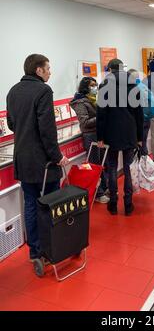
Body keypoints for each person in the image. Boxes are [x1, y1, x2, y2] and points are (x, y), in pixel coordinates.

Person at [6, 54, 69, 262]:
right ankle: (51, 246)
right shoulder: (43, 90)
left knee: (31, 203)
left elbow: (12, 125)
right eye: (48, 68)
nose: (50, 72)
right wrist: (57, 156)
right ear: (38, 70)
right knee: (51, 202)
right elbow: (47, 130)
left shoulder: (13, 91)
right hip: (43, 161)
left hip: (22, 158)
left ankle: (35, 251)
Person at [96, 59, 144, 216]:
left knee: (111, 167)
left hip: (111, 133)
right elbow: (139, 114)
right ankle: (128, 204)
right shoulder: (133, 85)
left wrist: (100, 137)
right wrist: (139, 136)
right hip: (130, 132)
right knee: (129, 168)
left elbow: (101, 115)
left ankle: (113, 204)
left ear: (110, 69)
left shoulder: (104, 86)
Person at [70, 77, 109, 204]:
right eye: (92, 85)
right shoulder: (80, 102)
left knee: (102, 164)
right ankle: (98, 193)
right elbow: (85, 122)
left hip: (100, 134)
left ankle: (105, 187)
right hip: (90, 136)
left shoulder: (94, 99)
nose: (95, 88)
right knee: (94, 164)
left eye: (96, 85)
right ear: (85, 87)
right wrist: (102, 116)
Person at [128, 69, 154, 156]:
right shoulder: (144, 86)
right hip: (147, 118)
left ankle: (140, 166)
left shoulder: (132, 88)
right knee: (143, 142)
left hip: (138, 120)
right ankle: (145, 164)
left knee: (137, 144)